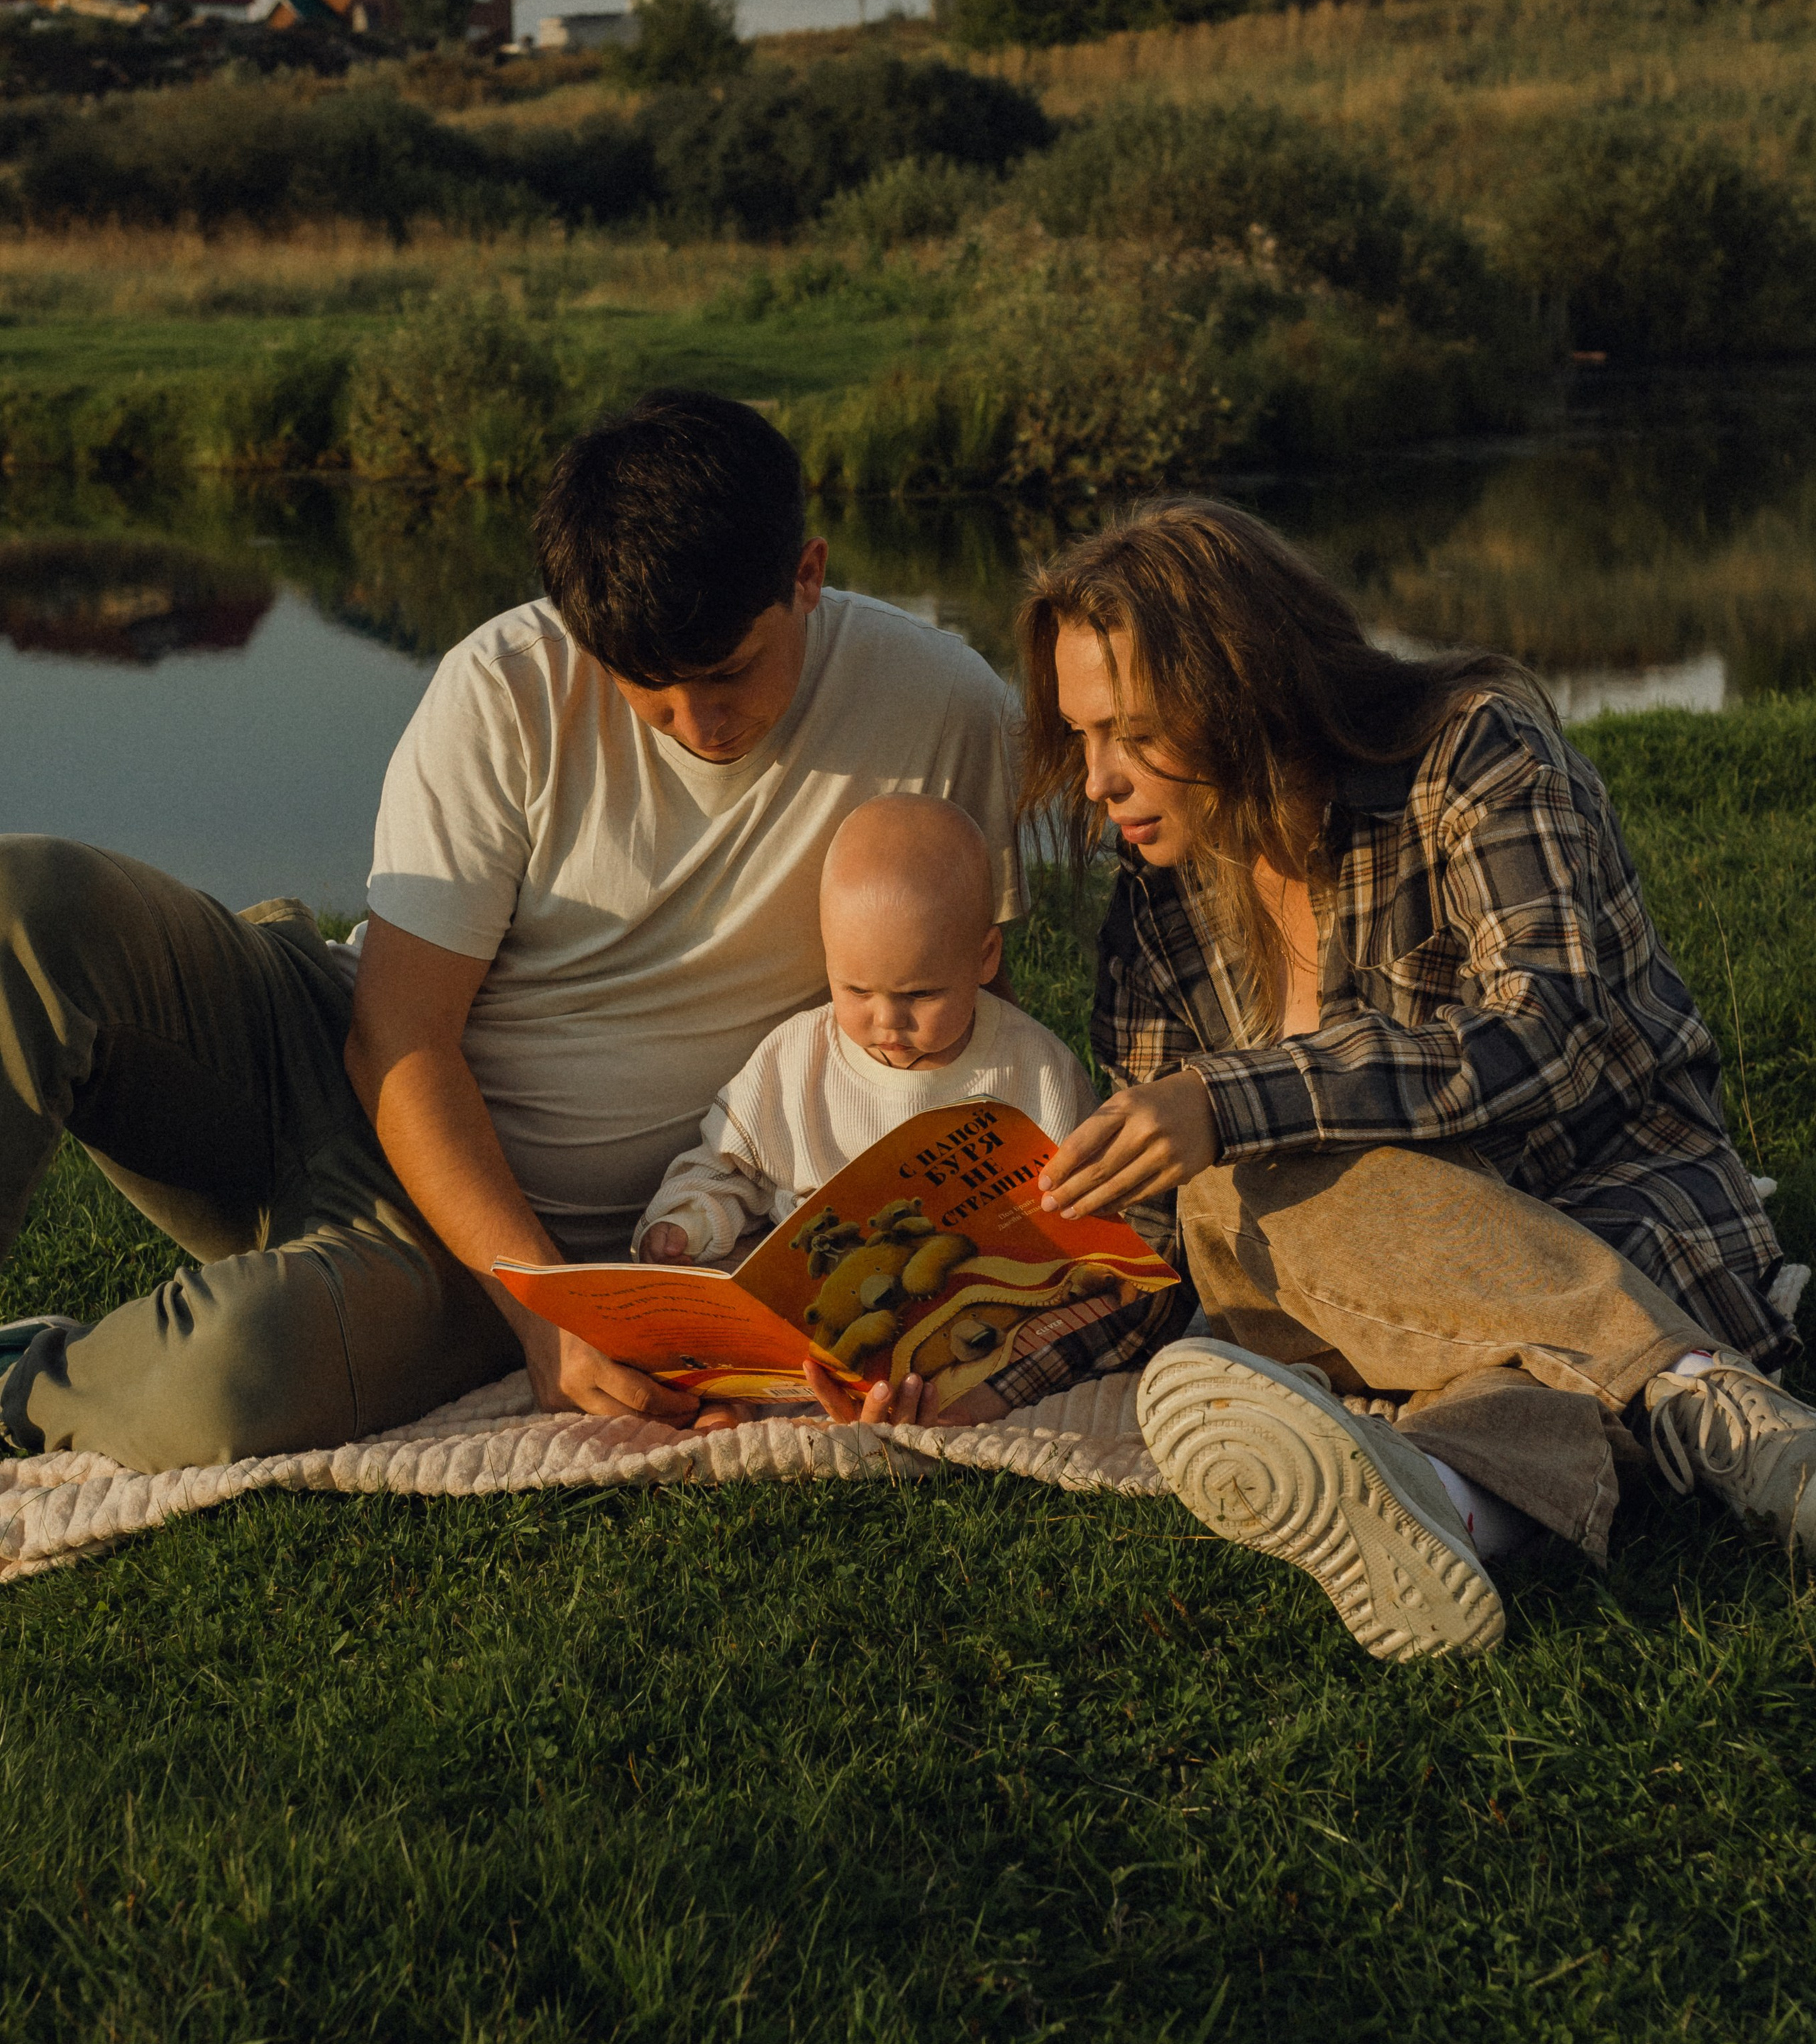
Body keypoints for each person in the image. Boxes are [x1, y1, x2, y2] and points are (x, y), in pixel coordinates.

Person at [0, 391, 1024, 1472]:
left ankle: (25, 1382)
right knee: (30, 900)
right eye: (649, 689)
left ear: (807, 576)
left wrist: (552, 1305)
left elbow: (974, 1043)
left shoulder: (943, 708)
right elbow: (398, 1034)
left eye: (727, 673)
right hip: (335, 1051)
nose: (699, 723)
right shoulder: (504, 688)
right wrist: (538, 1319)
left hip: (487, 1248)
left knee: (235, 1377)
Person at [1002, 497, 1812, 1663]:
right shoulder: (1159, 899)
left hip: (1599, 1198)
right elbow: (1150, 1234)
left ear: (1239, 682)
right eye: (1083, 737)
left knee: (1246, 1178)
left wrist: (1231, 1101)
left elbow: (1543, 1027)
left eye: (1130, 731)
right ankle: (1663, 1412)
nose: (1099, 780)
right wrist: (992, 1368)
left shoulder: (1470, 752)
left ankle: (1466, 1483)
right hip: (1363, 1289)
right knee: (1226, 1203)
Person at [634, 794, 1095, 1267]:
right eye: (855, 989)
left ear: (986, 957)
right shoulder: (796, 1060)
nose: (887, 1019)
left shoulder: (1035, 1068)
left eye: (920, 994)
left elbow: (1092, 1199)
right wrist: (690, 1224)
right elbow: (725, 1167)